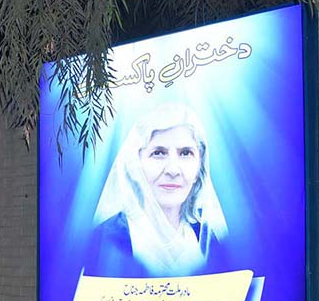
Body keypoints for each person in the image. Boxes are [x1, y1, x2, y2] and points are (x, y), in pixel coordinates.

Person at [87, 103, 227, 277]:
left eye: (185, 153)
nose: (173, 170)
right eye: (158, 153)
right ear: (135, 165)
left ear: (199, 167)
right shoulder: (106, 240)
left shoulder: (210, 239)